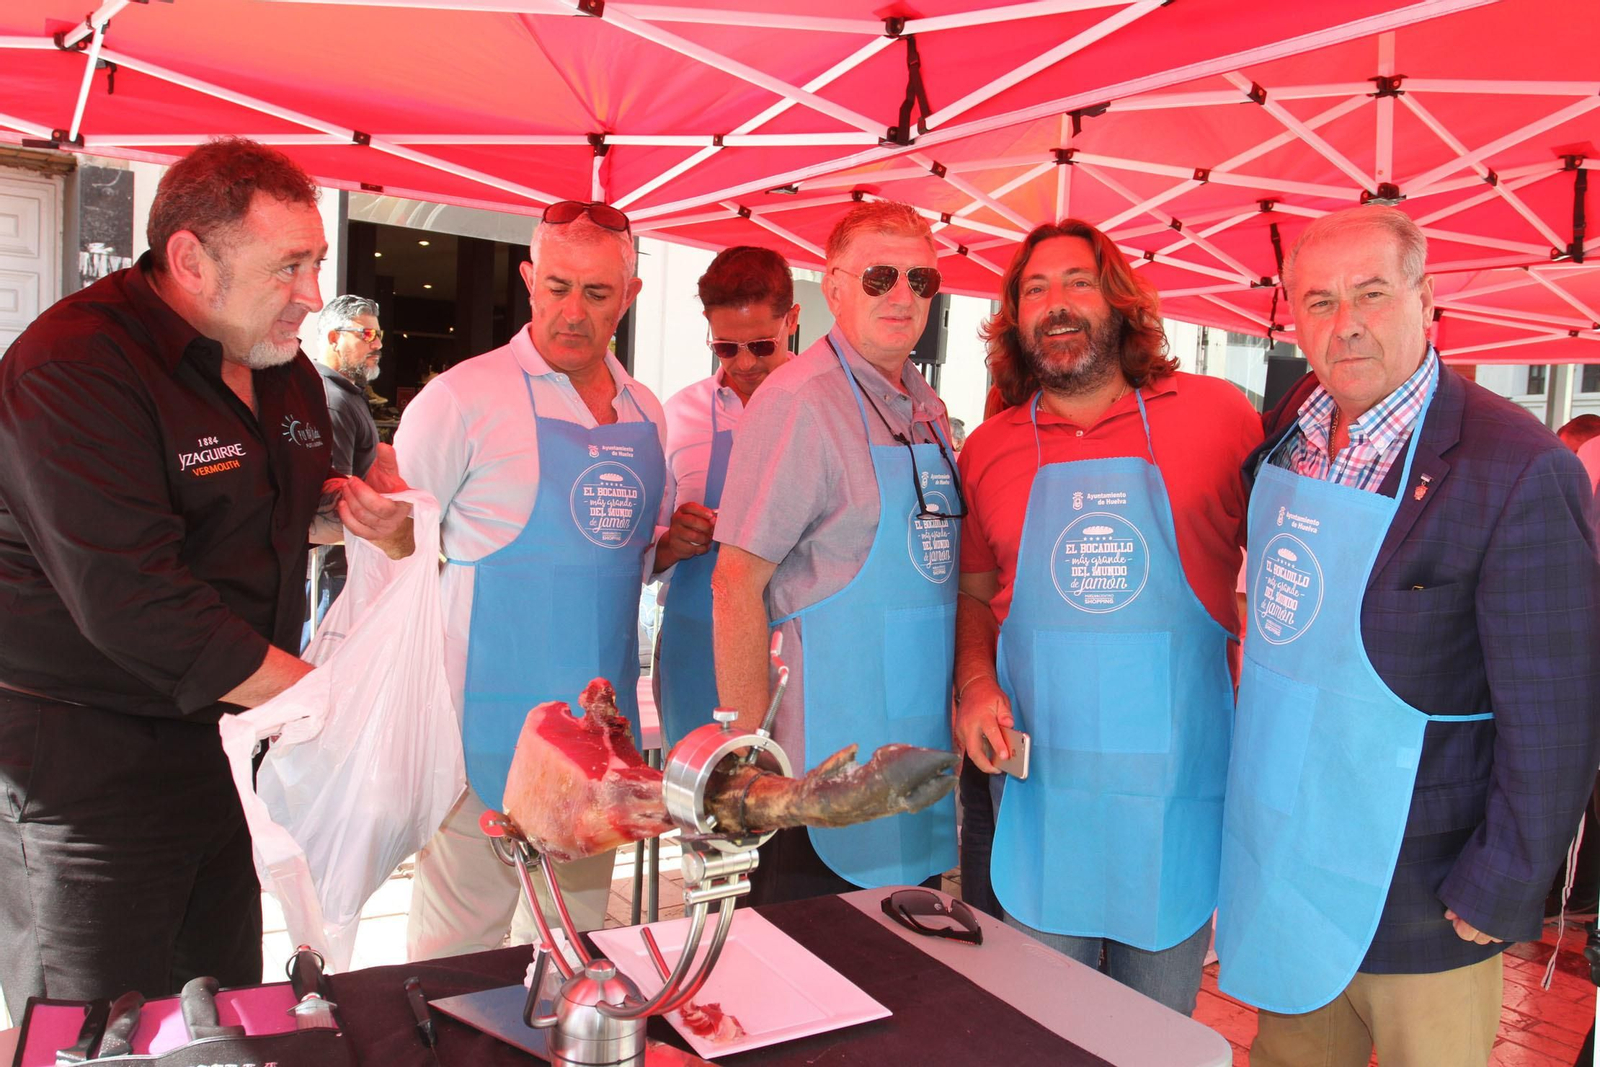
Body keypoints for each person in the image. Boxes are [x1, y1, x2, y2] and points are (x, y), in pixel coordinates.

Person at [0, 138, 411, 1018]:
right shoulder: (73, 368)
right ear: (188, 259)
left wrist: (353, 511)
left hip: (228, 759)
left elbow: (261, 509)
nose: (312, 293)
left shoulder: (285, 367)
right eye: (289, 266)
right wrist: (328, 704)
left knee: (221, 1014)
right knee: (97, 1030)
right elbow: (133, 598)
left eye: (316, 264)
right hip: (89, 779)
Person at [1213, 205, 1600, 1067]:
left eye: (1371, 293)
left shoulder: (1520, 465)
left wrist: (1505, 880)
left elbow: (1557, 712)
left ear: (1426, 300)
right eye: (1317, 301)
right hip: (1292, 867)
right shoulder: (1290, 435)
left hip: (1428, 887)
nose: (1345, 324)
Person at [952, 219, 1261, 1014]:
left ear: (1120, 300)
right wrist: (976, 685)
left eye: (1078, 282)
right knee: (1045, 1034)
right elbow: (978, 595)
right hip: (1043, 797)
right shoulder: (987, 449)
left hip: (1175, 798)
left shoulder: (1222, 418)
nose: (1056, 305)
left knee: (1155, 1036)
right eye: (1035, 290)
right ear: (1015, 320)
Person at [395, 200, 669, 958]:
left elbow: (627, 560)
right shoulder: (461, 398)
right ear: (527, 279)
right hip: (480, 730)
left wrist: (673, 545)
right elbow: (400, 560)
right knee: (453, 959)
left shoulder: (647, 412)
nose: (571, 312)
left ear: (632, 295)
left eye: (597, 293)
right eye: (555, 287)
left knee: (571, 952)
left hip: (597, 739)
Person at [711, 200, 960, 905]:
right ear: (835, 287)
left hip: (913, 751)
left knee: (912, 977)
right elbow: (735, 583)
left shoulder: (926, 406)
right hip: (820, 764)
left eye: (921, 280)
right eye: (881, 277)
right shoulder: (800, 399)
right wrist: (752, 762)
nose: (903, 296)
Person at [653, 246, 797, 746]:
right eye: (726, 348)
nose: (745, 364)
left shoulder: (822, 410)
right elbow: (644, 554)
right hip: (695, 643)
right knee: (700, 809)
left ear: (792, 321)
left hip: (797, 650)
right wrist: (674, 540)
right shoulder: (679, 415)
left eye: (761, 345)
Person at [304, 294, 385, 644]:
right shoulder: (332, 399)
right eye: (366, 335)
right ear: (334, 338)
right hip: (333, 572)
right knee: (323, 673)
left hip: (344, 567)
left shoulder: (344, 395)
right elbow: (328, 503)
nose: (378, 344)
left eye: (379, 335)